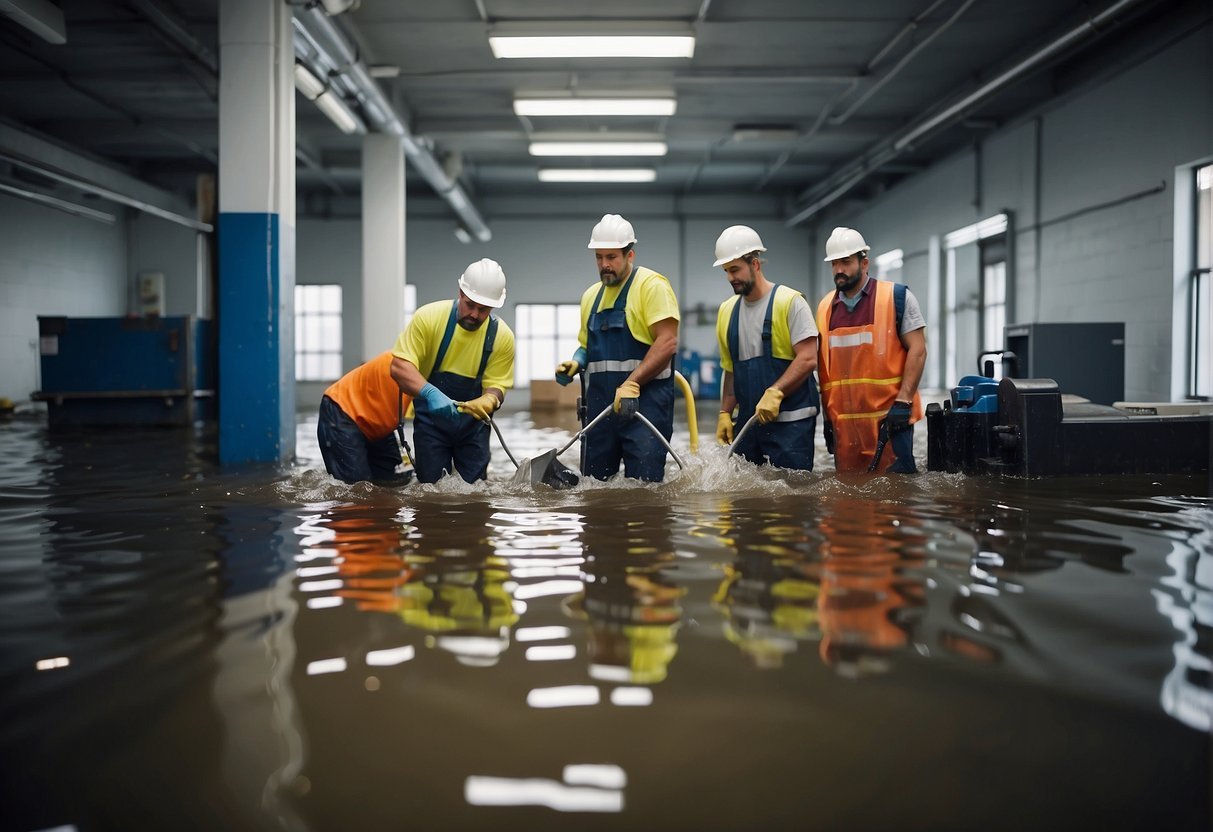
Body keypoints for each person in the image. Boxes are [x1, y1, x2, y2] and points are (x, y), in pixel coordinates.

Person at [554, 214, 680, 482]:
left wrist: (632, 383)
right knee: (595, 491)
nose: (604, 265)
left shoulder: (651, 286)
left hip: (645, 409)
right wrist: (577, 361)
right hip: (600, 413)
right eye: (599, 257)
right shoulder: (591, 296)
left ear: (629, 255)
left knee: (644, 493)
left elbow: (667, 342)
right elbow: (587, 346)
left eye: (611, 257)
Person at [390, 258, 515, 484]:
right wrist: (430, 393)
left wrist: (489, 400)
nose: (475, 314)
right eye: (470, 305)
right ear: (460, 292)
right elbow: (399, 367)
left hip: (474, 425)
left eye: (484, 309)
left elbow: (498, 384)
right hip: (431, 422)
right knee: (432, 489)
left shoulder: (501, 337)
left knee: (475, 492)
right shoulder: (428, 318)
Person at [815, 227, 927, 473]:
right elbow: (824, 371)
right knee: (848, 501)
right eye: (834, 264)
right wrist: (826, 420)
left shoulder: (897, 297)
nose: (839, 270)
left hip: (890, 422)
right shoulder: (825, 308)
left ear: (864, 263)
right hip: (845, 429)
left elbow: (918, 350)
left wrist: (904, 401)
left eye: (845, 262)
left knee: (897, 496)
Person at [712, 225, 819, 470]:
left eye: (735, 269)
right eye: (727, 271)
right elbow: (731, 370)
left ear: (755, 264)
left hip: (791, 425)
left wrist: (777, 392)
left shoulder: (791, 302)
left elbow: (808, 358)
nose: (731, 277)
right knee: (748, 501)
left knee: (792, 497)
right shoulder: (727, 311)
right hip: (749, 426)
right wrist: (725, 413)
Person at [317, 350, 414, 485]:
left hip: (378, 423)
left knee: (395, 481)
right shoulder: (408, 360)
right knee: (356, 489)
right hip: (343, 412)